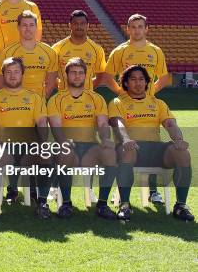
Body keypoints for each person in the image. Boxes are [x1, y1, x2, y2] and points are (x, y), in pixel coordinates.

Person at [109, 65, 193, 222]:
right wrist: (126, 139)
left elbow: (170, 125)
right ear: (125, 83)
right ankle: (125, 204)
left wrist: (179, 140)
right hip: (131, 148)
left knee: (183, 153)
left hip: (155, 151)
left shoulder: (158, 103)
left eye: (141, 79)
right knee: (129, 150)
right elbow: (118, 123)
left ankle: (181, 206)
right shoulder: (117, 102)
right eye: (133, 79)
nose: (138, 83)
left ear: (147, 82)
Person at [0, 57, 49, 219]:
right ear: (3, 75)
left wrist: (43, 143)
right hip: (3, 147)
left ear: (22, 74)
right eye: (8, 72)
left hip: (28, 147)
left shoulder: (35, 98)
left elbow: (41, 122)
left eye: (16, 72)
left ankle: (42, 203)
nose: (13, 76)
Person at [102, 14, 170, 203]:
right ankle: (121, 192)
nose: (137, 30)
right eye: (133, 27)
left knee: (152, 141)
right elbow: (108, 76)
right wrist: (121, 91)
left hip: (148, 105)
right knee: (125, 145)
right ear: (127, 29)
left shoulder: (155, 51)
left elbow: (164, 78)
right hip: (126, 106)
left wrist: (150, 92)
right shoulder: (120, 51)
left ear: (146, 29)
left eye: (141, 26)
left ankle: (153, 190)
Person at [47, 58, 118, 219]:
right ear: (66, 76)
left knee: (110, 153)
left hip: (90, 148)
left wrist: (106, 139)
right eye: (73, 73)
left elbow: (102, 124)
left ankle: (102, 204)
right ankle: (66, 204)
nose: (77, 76)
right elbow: (56, 127)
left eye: (81, 73)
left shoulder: (96, 98)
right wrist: (63, 142)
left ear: (86, 76)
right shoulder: (56, 99)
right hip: (67, 146)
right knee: (64, 152)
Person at [0, 10, 57, 98]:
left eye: (31, 25)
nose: (28, 28)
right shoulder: (7, 53)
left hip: (38, 105)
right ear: (18, 27)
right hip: (13, 103)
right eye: (24, 25)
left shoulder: (49, 52)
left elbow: (51, 82)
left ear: (36, 27)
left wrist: (39, 100)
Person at [51, 10, 106, 91]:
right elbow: (50, 75)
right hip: (64, 98)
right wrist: (62, 86)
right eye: (75, 23)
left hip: (87, 98)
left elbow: (100, 76)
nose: (79, 26)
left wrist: (85, 89)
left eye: (82, 23)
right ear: (70, 25)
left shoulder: (97, 49)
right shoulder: (57, 48)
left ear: (88, 26)